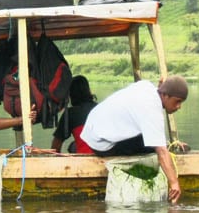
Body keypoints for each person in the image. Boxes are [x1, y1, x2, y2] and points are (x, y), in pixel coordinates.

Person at [80, 76, 189, 204]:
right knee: (155, 147)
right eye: (177, 101)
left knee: (153, 140)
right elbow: (161, 152)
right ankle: (167, 145)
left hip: (93, 131)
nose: (179, 107)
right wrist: (174, 183)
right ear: (165, 95)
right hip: (102, 144)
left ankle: (166, 144)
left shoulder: (146, 86)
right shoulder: (151, 108)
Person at [51, 75, 96, 154]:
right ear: (88, 90)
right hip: (106, 156)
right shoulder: (100, 108)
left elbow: (56, 146)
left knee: (73, 146)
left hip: (84, 158)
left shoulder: (70, 114)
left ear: (71, 94)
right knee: (73, 145)